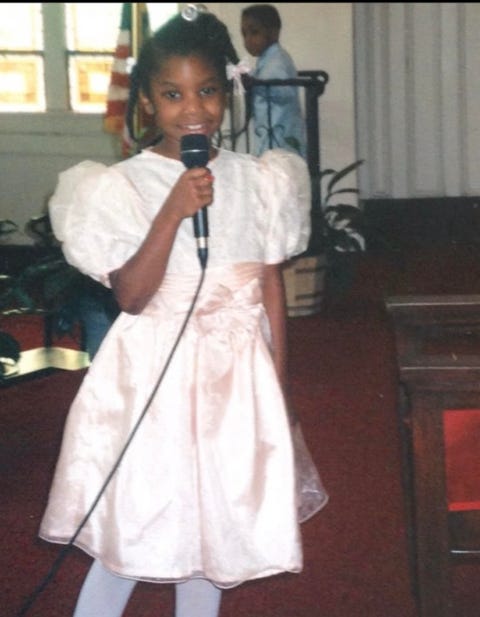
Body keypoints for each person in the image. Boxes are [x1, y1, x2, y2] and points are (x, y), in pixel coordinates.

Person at [39, 5, 327, 617]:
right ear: (146, 101)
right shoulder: (121, 187)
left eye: (207, 92)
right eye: (172, 94)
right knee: (133, 530)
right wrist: (171, 211)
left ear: (227, 95)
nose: (192, 108)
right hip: (154, 384)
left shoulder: (261, 180)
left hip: (236, 385)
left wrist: (277, 381)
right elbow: (132, 296)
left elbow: (269, 284)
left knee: (212, 536)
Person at [241, 4, 307, 158]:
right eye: (244, 34)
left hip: (281, 137)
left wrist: (256, 85)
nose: (248, 40)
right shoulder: (266, 61)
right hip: (270, 136)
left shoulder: (278, 61)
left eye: (254, 32)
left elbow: (283, 92)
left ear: (274, 32)